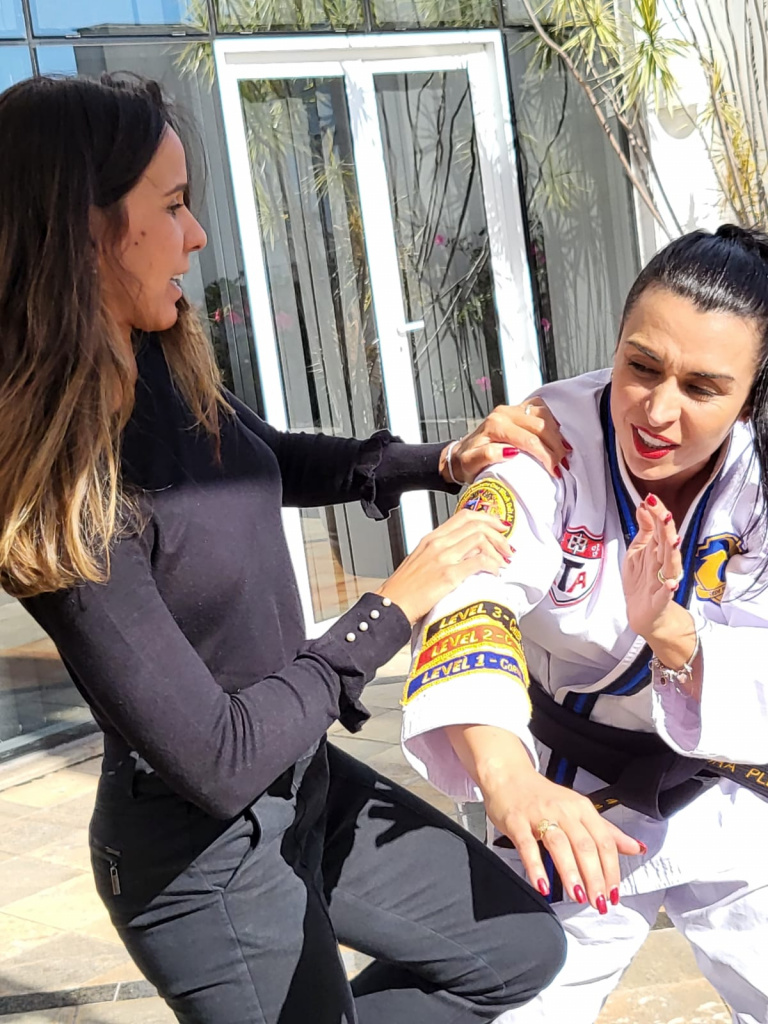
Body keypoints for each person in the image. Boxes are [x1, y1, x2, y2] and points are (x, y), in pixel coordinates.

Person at [0, 73, 567, 1024]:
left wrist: (440, 460)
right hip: (203, 864)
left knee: (517, 946)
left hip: (303, 786)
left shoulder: (153, 363)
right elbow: (218, 758)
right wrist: (394, 606)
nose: (196, 236)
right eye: (173, 206)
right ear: (83, 233)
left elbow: (266, 460)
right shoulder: (61, 489)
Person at [401, 225, 768, 1024]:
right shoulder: (544, 443)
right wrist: (510, 783)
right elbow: (472, 597)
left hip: (729, 792)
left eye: (703, 388)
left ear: (752, 396)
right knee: (520, 1006)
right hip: (572, 803)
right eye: (642, 366)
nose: (658, 411)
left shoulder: (759, 476)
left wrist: (669, 629)